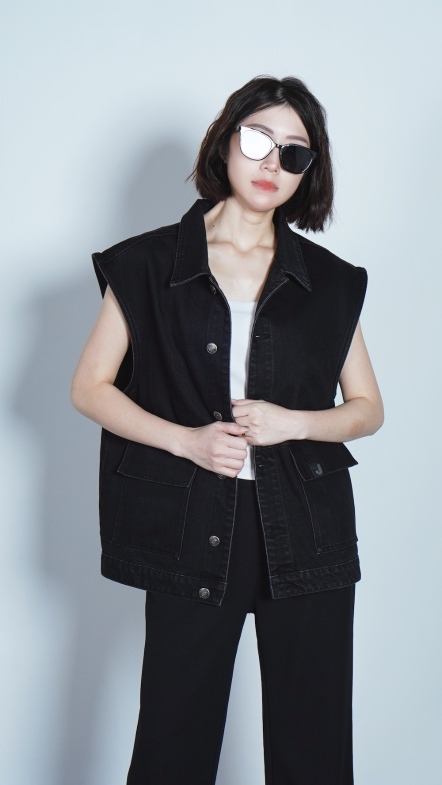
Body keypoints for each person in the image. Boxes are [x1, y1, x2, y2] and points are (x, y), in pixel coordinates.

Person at [71, 75, 384, 785]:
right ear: (225, 141)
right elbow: (88, 387)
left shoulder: (329, 282)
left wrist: (292, 422)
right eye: (258, 140)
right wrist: (186, 440)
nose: (273, 163)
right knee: (174, 740)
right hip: (191, 521)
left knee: (314, 746)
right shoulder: (147, 264)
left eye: (294, 153)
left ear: (308, 172)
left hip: (307, 526)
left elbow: (367, 407)